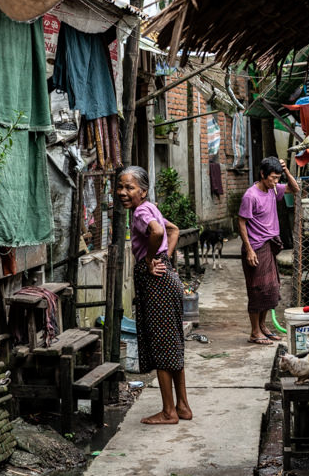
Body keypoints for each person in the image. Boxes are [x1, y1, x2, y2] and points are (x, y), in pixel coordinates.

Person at [117, 165, 192, 424]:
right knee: (173, 344)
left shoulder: (140, 212)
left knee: (162, 346)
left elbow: (159, 232)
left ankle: (169, 412)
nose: (122, 192)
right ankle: (182, 406)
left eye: (129, 187)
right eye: (120, 186)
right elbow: (174, 230)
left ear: (143, 191)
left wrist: (151, 258)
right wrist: (164, 257)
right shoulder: (151, 208)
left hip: (156, 283)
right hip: (166, 278)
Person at [238, 157, 299, 345]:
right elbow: (241, 222)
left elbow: (295, 189)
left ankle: (263, 326)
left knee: (270, 290)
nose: (276, 182)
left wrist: (286, 171)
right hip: (256, 247)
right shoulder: (251, 195)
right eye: (273, 177)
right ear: (263, 175)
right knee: (257, 291)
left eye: (278, 178)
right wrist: (249, 250)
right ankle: (254, 332)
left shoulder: (273, 189)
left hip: (269, 245)